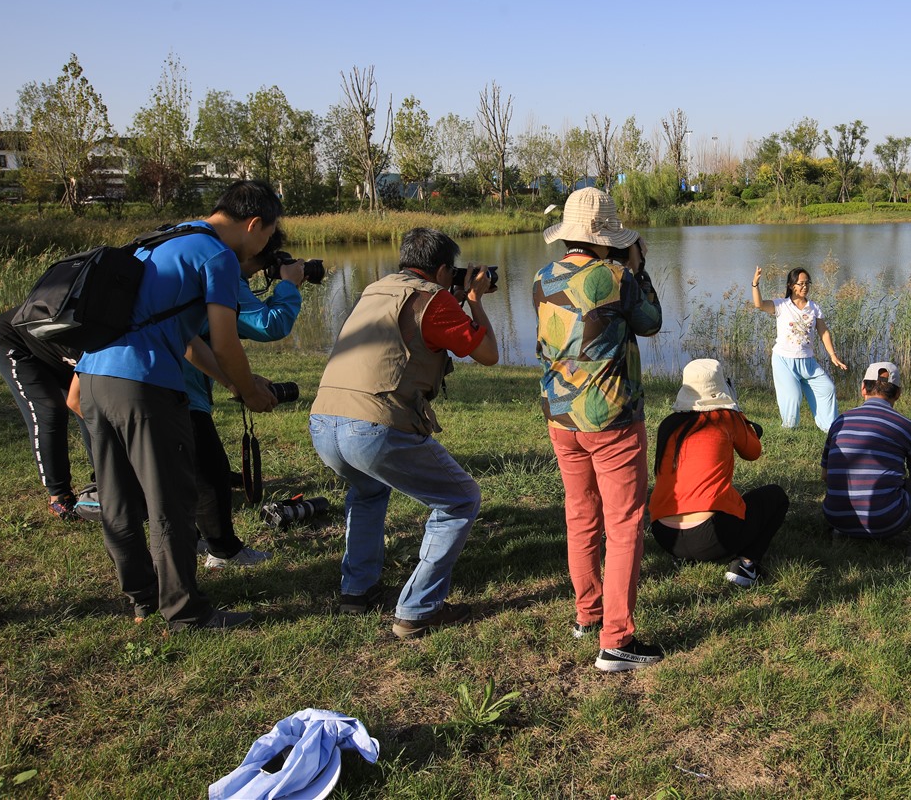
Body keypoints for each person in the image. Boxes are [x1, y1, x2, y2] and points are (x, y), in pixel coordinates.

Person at [74, 179, 282, 631]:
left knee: (118, 497)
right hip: (144, 384)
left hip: (92, 375)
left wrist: (233, 383)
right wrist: (248, 391)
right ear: (253, 224)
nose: (265, 244)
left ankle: (143, 598)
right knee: (170, 498)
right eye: (268, 234)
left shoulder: (167, 237)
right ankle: (185, 610)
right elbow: (225, 341)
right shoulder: (219, 257)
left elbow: (185, 339)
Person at [310, 227, 497, 638]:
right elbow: (488, 354)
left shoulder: (375, 290)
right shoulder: (434, 298)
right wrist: (474, 300)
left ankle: (356, 590)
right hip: (372, 427)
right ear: (444, 270)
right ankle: (418, 610)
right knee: (460, 500)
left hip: (323, 421)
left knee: (368, 492)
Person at [535, 187, 664, 672]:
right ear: (607, 238)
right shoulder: (616, 278)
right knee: (625, 521)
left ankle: (587, 615)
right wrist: (639, 269)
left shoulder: (542, 278)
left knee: (581, 514)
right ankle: (618, 641)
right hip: (612, 419)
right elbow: (651, 323)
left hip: (561, 416)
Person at [184, 227, 305, 569]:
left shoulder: (187, 252)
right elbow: (269, 324)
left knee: (181, 468)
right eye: (264, 254)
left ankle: (192, 539)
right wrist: (288, 284)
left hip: (136, 375)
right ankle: (223, 551)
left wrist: (238, 380)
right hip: (176, 385)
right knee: (210, 470)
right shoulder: (223, 269)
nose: (256, 270)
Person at [649, 358, 788, 587]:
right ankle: (746, 565)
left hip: (665, 535)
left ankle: (685, 558)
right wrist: (737, 412)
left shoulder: (668, 424)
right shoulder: (726, 419)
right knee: (775, 496)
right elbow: (753, 452)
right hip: (711, 536)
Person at [821, 362, 911, 566]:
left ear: (863, 388)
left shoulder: (839, 422)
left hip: (835, 517)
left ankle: (844, 531)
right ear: (898, 394)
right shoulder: (908, 428)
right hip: (884, 521)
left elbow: (825, 475)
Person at [0, 308, 95, 520]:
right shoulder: (102, 347)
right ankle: (59, 497)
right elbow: (74, 403)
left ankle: (104, 483)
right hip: (16, 339)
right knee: (50, 412)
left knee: (91, 406)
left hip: (62, 351)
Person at [751, 265, 848, 431]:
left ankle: (830, 429)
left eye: (807, 283)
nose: (805, 287)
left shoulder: (814, 308)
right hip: (784, 361)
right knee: (793, 398)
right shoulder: (781, 305)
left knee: (827, 388)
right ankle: (789, 430)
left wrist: (833, 355)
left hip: (807, 362)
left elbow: (823, 332)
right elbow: (759, 305)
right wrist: (755, 284)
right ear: (791, 285)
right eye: (801, 283)